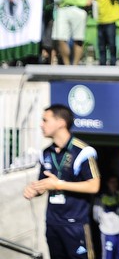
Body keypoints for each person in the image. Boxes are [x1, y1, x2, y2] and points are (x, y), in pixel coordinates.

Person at [23, 104, 101, 259]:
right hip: (52, 223)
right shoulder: (46, 152)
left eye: (45, 120)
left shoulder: (83, 151)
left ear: (61, 123)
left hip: (76, 224)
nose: (41, 124)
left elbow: (94, 186)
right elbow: (44, 185)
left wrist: (58, 184)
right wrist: (35, 190)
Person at [93, 176, 119, 259]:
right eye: (112, 182)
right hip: (107, 231)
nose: (114, 184)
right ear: (107, 183)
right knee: (108, 256)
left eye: (116, 182)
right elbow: (96, 215)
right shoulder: (101, 197)